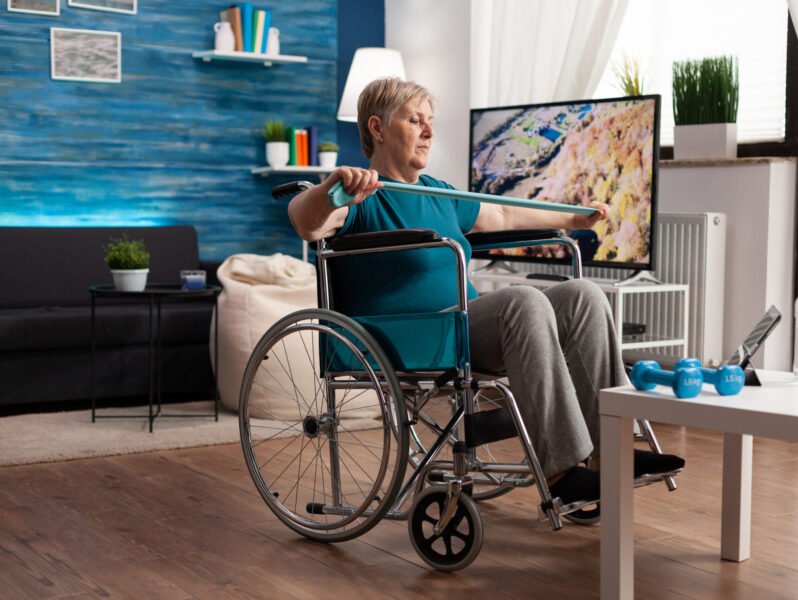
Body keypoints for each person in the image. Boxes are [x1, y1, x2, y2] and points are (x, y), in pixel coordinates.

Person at [288, 77, 683, 506]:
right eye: (414, 120)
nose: (428, 131)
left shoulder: (439, 192)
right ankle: (565, 471)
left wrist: (573, 220)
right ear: (378, 128)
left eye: (430, 121)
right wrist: (330, 191)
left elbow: (501, 212)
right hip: (406, 337)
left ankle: (612, 452)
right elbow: (305, 222)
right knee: (523, 300)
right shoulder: (359, 196)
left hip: (465, 327)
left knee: (585, 295)